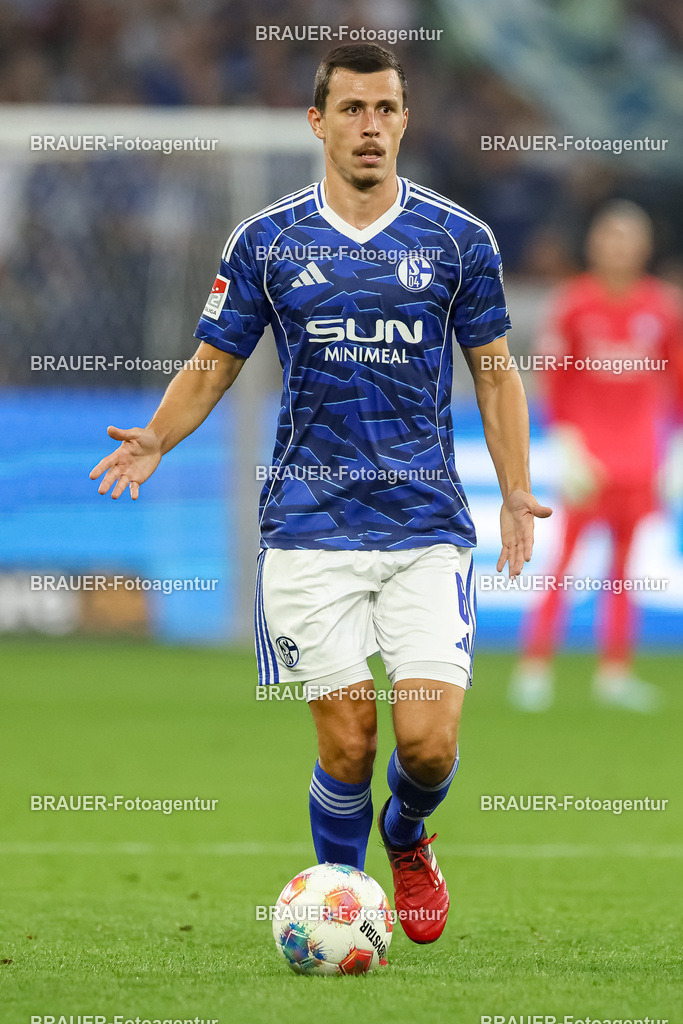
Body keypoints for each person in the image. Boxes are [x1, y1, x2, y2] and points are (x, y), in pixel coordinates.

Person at [90, 43, 551, 943]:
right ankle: (341, 904)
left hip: (424, 525)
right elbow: (213, 364)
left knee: (426, 746)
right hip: (306, 528)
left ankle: (407, 836)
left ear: (405, 121)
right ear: (318, 122)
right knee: (347, 742)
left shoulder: (458, 240)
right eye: (351, 110)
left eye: (385, 109)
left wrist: (514, 487)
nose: (369, 126)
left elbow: (494, 374)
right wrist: (156, 434)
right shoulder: (267, 241)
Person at [510, 201, 683, 713]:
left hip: (640, 457)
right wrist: (565, 445)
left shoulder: (661, 309)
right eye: (610, 236)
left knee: (626, 568)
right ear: (594, 243)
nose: (618, 247)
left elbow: (676, 383)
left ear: (645, 247)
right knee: (563, 560)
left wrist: (674, 449)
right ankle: (535, 665)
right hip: (589, 458)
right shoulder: (574, 306)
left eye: (628, 237)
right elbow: (552, 381)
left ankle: (614, 671)